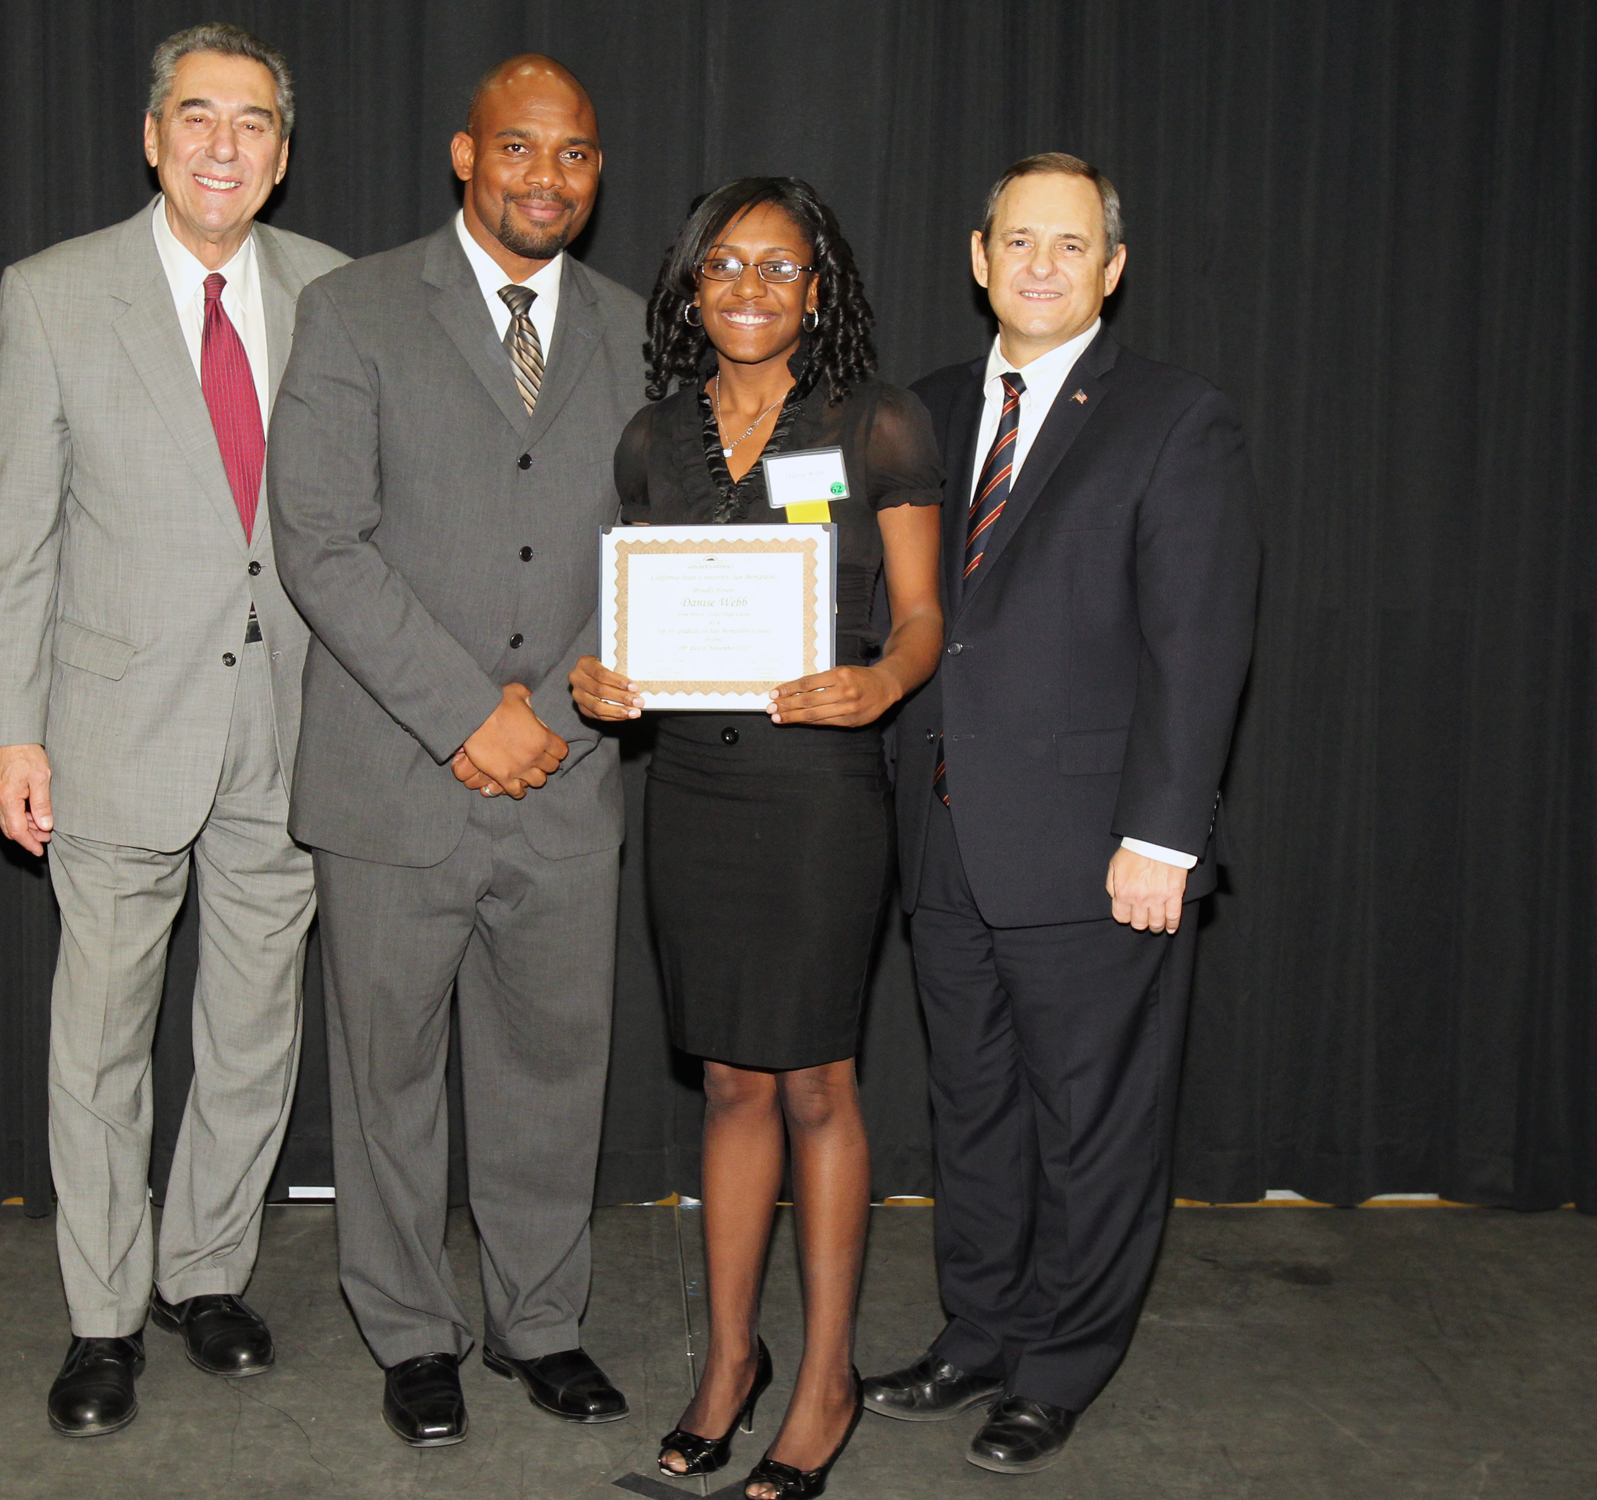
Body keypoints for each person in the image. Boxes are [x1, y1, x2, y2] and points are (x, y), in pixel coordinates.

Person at [0, 23, 346, 1437]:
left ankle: (207, 1273)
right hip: (113, 727)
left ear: (283, 153)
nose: (222, 144)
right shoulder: (56, 293)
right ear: (152, 135)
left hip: (291, 730)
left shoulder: (333, 295)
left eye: (252, 123)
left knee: (254, 1029)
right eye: (198, 116)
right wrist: (10, 726)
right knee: (103, 1041)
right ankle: (102, 1316)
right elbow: (18, 533)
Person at [859, 154, 1260, 1473]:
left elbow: (1198, 645)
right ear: (978, 257)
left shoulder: (1171, 419)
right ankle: (978, 1331)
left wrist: (1165, 835)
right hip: (942, 835)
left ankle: (1061, 1364)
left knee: (1092, 1118)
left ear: (1111, 268)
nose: (1041, 263)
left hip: (1099, 854)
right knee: (969, 1106)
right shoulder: (911, 413)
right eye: (1018, 240)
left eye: (1070, 245)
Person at [265, 56, 643, 1449]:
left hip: (569, 777)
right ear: (463, 156)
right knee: (389, 1079)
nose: (548, 177)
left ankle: (540, 1323)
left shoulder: (631, 327)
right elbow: (318, 535)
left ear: (597, 173)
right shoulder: (354, 309)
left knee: (555, 1071)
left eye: (578, 155)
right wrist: (467, 712)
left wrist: (544, 712)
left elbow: (657, 542)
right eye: (520, 149)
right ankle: (411, 1334)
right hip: (392, 783)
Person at [571, 177, 944, 1500]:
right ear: (689, 288)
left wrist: (884, 684)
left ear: (819, 291)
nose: (748, 290)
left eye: (779, 269)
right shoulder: (649, 439)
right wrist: (602, 679)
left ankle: (828, 1377)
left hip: (819, 795)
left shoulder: (875, 422)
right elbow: (642, 618)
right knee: (728, 1084)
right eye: (723, 266)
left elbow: (919, 618)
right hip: (692, 792)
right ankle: (733, 1363)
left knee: (815, 1088)